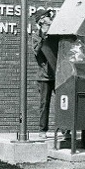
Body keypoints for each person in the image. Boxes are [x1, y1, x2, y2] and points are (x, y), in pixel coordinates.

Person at [32, 9, 55, 139]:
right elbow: (37, 51)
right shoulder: (36, 36)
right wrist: (43, 35)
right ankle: (43, 130)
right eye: (47, 16)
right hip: (44, 77)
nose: (50, 18)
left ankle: (65, 129)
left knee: (63, 101)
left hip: (57, 75)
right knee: (44, 104)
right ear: (41, 21)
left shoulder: (54, 35)